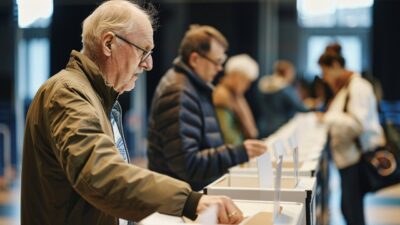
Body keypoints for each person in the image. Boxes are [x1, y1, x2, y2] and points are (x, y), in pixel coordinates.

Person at [21, 1, 244, 225]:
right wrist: (189, 201)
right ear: (108, 44)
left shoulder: (99, 97)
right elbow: (100, 173)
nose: (149, 64)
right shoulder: (67, 93)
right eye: (144, 50)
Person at [147, 25, 267, 191]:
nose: (219, 69)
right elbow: (188, 164)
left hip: (192, 192)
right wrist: (239, 152)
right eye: (216, 62)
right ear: (195, 59)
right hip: (182, 198)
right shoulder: (179, 92)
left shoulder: (193, 86)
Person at [317, 44, 385, 225]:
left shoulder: (358, 87)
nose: (324, 79)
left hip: (356, 158)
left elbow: (358, 124)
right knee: (348, 208)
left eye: (325, 73)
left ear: (335, 67)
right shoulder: (346, 88)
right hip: (347, 158)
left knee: (352, 211)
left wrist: (328, 117)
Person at [213, 54, 259, 145]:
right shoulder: (222, 95)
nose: (248, 86)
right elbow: (227, 133)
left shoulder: (235, 95)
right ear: (237, 77)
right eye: (246, 81)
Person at [257, 60, 309, 138]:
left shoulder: (263, 86)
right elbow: (299, 107)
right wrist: (311, 106)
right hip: (280, 127)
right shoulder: (285, 88)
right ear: (287, 73)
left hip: (263, 126)